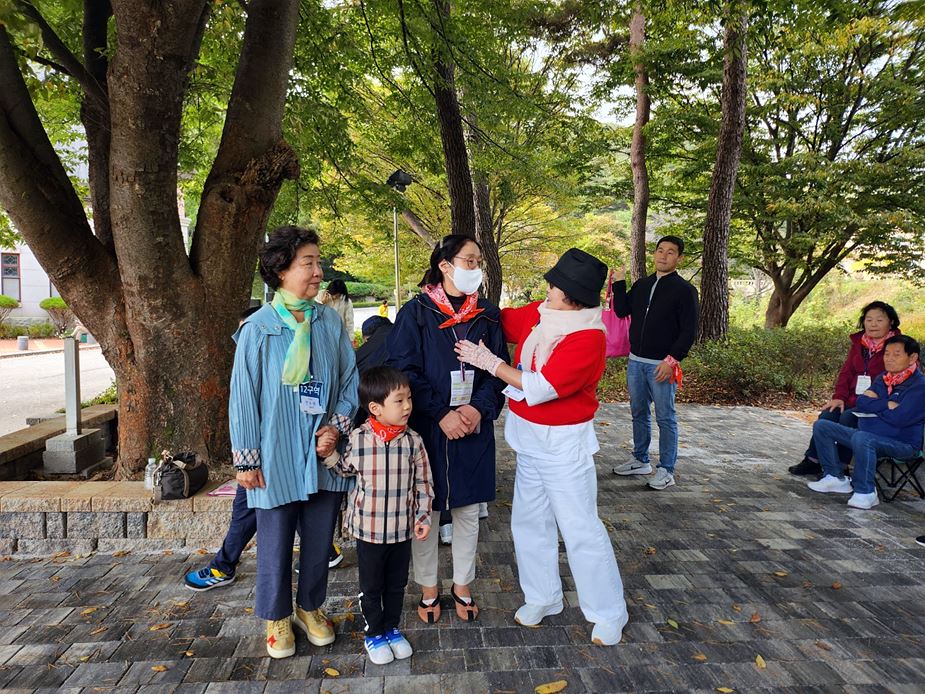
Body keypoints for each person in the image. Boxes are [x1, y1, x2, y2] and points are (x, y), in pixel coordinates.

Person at [454, 247, 629, 645]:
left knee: (580, 528)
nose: (547, 289)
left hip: (564, 445)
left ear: (572, 297)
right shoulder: (541, 312)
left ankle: (608, 612)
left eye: (554, 286)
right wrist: (462, 292)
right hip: (529, 439)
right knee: (529, 523)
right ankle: (543, 596)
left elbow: (542, 386)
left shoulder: (588, 337)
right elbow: (501, 319)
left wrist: (491, 363)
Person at [230, 225, 358, 659]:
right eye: (309, 263)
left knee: (320, 538)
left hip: (323, 452)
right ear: (281, 269)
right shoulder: (258, 329)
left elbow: (349, 380)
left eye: (319, 262)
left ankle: (310, 607)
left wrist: (335, 428)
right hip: (275, 452)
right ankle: (277, 616)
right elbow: (243, 396)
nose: (319, 271)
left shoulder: (329, 322)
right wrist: (246, 459)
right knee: (275, 540)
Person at [386, 234, 507, 623]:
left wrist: (477, 409)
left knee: (469, 509)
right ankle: (428, 588)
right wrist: (441, 413)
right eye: (469, 261)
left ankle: (462, 585)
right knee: (428, 509)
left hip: (473, 425)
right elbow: (404, 369)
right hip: (429, 426)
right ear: (445, 265)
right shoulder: (416, 312)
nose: (476, 268)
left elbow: (499, 370)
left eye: (478, 261)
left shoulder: (487, 313)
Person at [328, 366, 434, 665]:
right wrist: (329, 456)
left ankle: (391, 628)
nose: (407, 406)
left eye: (409, 398)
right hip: (369, 531)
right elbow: (344, 470)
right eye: (399, 400)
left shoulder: (413, 441)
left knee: (397, 584)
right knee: (372, 586)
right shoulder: (359, 438)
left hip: (401, 530)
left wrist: (423, 517)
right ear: (375, 408)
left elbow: (424, 483)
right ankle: (374, 633)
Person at [610, 235, 699, 490]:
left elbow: (689, 331)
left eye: (670, 252)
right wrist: (619, 283)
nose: (663, 255)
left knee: (665, 417)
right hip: (636, 362)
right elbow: (622, 310)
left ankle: (667, 469)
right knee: (638, 412)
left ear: (679, 258)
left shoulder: (685, 290)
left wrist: (671, 361)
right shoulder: (642, 284)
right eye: (660, 250)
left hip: (662, 365)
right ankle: (640, 460)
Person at [808, 335, 925, 510]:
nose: (889, 359)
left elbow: (900, 418)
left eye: (896, 354)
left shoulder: (919, 386)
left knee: (863, 437)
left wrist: (876, 405)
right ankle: (835, 477)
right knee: (822, 426)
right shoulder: (883, 378)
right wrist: (887, 405)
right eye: (886, 354)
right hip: (868, 436)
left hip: (903, 444)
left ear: (912, 358)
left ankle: (866, 492)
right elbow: (862, 402)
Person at [789, 301, 901, 477]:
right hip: (851, 398)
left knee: (848, 418)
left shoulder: (898, 347)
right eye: (869, 319)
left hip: (875, 403)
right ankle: (813, 460)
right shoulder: (859, 343)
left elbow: (899, 380)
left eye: (879, 320)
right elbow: (847, 372)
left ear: (891, 322)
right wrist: (839, 397)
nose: (873, 324)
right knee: (828, 414)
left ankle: (841, 466)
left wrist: (875, 400)